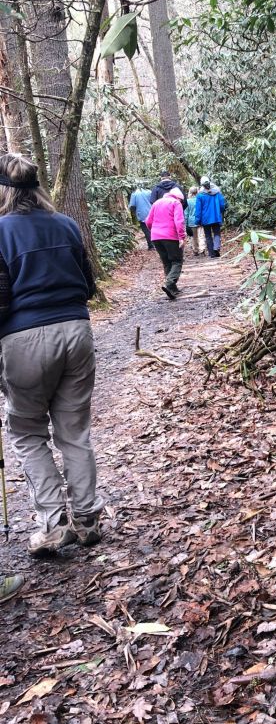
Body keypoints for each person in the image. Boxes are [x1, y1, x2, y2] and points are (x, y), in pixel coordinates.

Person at [0, 154, 104, 556]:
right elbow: (89, 285)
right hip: (76, 332)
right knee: (74, 431)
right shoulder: (66, 224)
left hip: (23, 340)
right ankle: (87, 518)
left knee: (27, 433)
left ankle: (54, 522)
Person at [145, 187, 186, 299]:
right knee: (177, 261)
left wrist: (154, 231)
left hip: (155, 236)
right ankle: (169, 283)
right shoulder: (175, 203)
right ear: (178, 198)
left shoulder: (157, 202)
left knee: (167, 262)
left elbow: (148, 221)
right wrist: (181, 237)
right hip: (170, 236)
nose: (181, 203)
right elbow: (179, 221)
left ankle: (172, 289)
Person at [195, 176, 226, 258]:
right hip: (216, 217)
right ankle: (216, 248)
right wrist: (221, 212)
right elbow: (222, 205)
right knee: (217, 233)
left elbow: (198, 209)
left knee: (208, 235)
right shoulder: (217, 192)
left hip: (205, 219)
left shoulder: (200, 195)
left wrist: (197, 221)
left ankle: (211, 254)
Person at [129, 182, 153, 250]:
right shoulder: (149, 192)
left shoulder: (134, 194)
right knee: (153, 229)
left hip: (141, 214)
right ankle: (157, 244)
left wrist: (134, 213)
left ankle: (151, 246)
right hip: (151, 213)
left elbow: (132, 205)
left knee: (146, 230)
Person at [185, 185, 202, 256]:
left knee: (194, 237)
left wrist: (185, 223)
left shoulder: (188, 201)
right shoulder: (199, 199)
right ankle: (202, 248)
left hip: (191, 221)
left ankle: (196, 250)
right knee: (201, 236)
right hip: (200, 220)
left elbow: (186, 213)